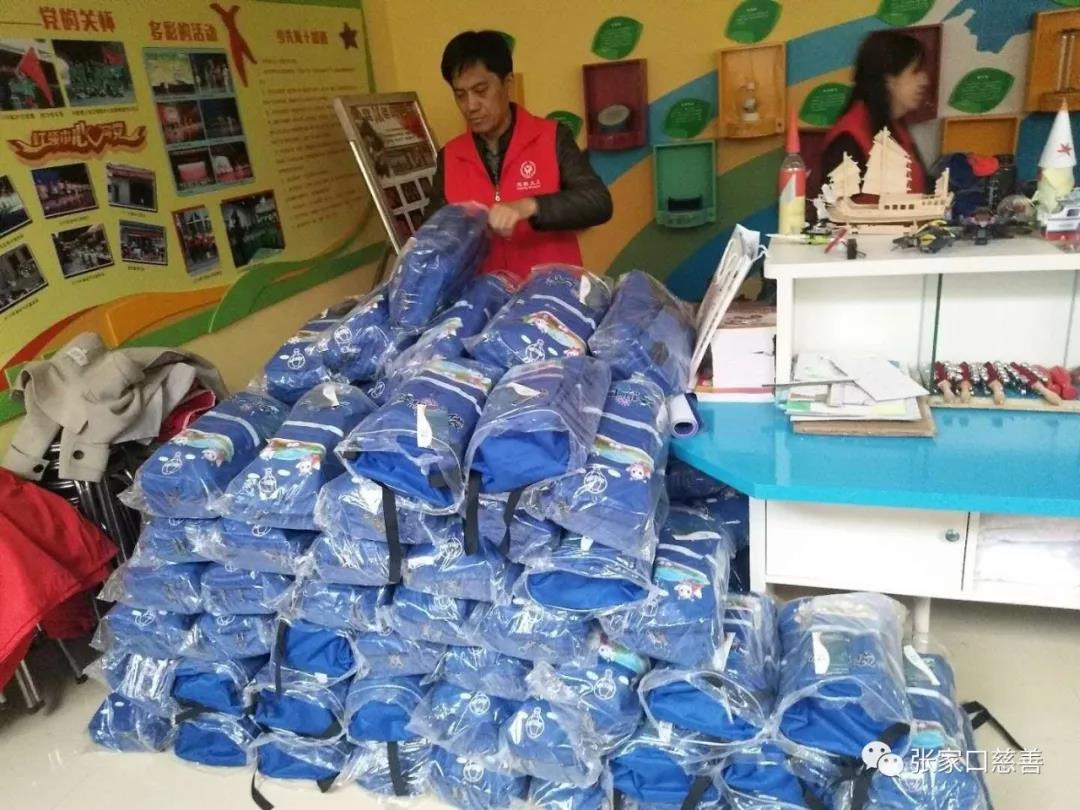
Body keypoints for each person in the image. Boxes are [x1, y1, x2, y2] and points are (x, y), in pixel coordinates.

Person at [425, 30, 612, 283]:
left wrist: (530, 206)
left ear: (507, 83)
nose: (471, 105)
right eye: (460, 95)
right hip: (482, 301)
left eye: (481, 90)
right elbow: (433, 233)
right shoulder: (450, 157)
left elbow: (597, 202)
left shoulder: (551, 137)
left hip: (553, 296)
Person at [820, 31, 930, 193]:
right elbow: (835, 206)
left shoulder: (897, 126)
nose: (924, 81)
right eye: (915, 72)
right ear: (889, 79)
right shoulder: (848, 140)